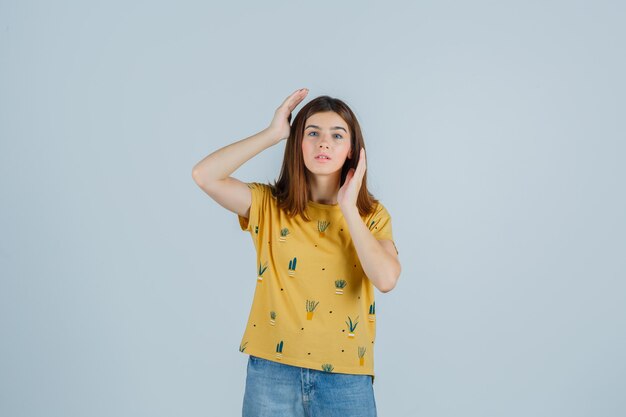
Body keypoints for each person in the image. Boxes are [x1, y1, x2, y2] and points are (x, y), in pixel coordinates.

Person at [192, 88, 401, 417]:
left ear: (352, 151)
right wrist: (273, 134)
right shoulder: (269, 206)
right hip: (272, 372)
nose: (324, 143)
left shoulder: (371, 216)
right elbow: (204, 176)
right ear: (297, 144)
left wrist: (348, 206)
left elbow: (386, 279)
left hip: (346, 376)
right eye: (312, 133)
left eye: (337, 135)